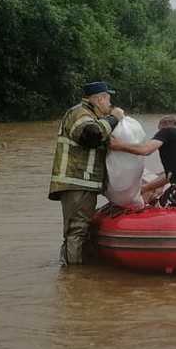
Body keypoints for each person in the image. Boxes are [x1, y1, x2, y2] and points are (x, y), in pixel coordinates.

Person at [48, 81, 124, 264]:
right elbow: (91, 135)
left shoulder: (90, 115)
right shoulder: (80, 113)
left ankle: (73, 271)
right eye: (108, 100)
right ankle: (73, 278)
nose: (110, 105)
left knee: (79, 230)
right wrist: (113, 118)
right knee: (77, 230)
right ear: (99, 99)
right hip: (77, 181)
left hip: (83, 183)